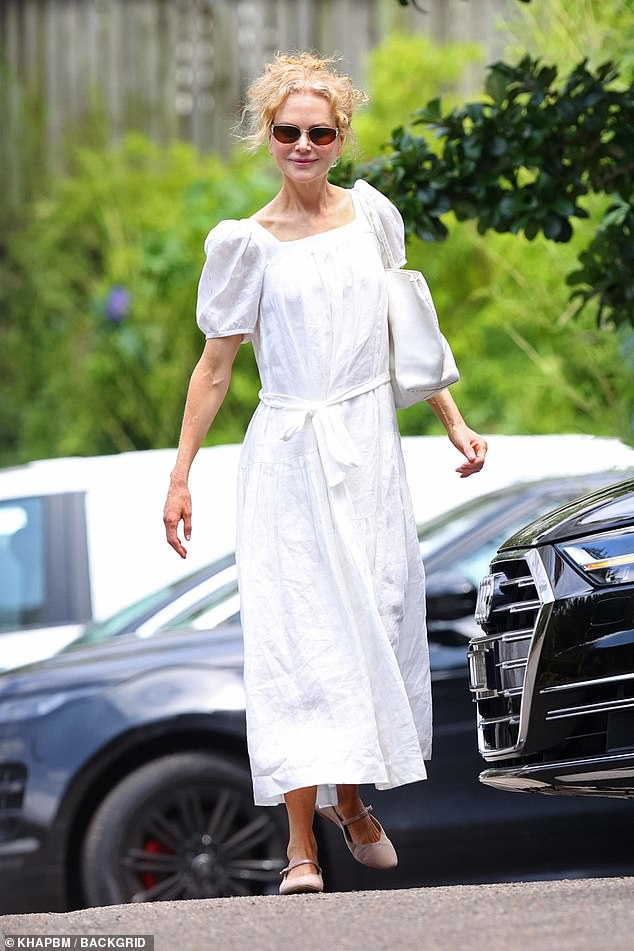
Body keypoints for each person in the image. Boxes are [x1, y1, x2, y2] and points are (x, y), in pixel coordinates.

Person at [163, 52, 487, 896]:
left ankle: (353, 798)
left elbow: (407, 331)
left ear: (341, 135)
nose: (302, 144)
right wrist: (181, 475)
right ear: (267, 136)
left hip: (368, 444)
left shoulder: (372, 216)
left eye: (319, 131)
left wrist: (455, 419)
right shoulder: (244, 245)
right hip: (287, 456)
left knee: (369, 624)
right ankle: (302, 845)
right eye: (286, 131)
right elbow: (214, 367)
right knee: (299, 646)